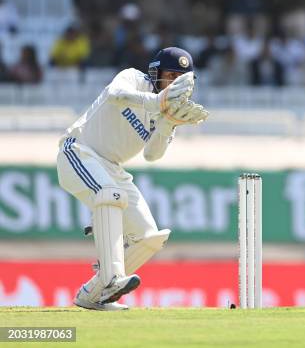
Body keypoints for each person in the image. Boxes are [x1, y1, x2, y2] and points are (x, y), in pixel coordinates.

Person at [56, 47, 209, 310]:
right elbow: (115, 95)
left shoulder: (165, 111)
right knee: (110, 194)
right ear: (156, 73)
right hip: (79, 150)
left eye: (181, 79)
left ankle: (92, 295)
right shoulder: (133, 78)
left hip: (112, 167)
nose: (175, 83)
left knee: (150, 236)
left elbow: (152, 155)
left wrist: (167, 123)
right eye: (171, 75)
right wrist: (156, 103)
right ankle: (112, 278)